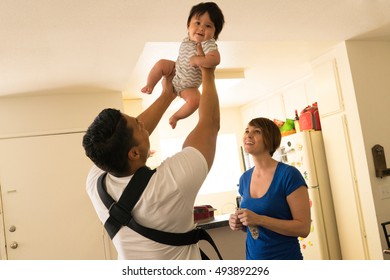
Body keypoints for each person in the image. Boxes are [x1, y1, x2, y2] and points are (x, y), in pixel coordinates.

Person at [82, 58, 220, 259]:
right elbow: (210, 124)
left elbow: (125, 138)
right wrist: (208, 71)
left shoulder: (96, 182)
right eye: (138, 125)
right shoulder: (171, 184)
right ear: (134, 154)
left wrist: (167, 94)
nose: (142, 123)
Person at [229, 118, 311, 260]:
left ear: (269, 139)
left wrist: (260, 219)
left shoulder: (289, 175)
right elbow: (254, 225)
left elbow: (303, 228)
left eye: (257, 132)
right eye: (247, 131)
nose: (248, 135)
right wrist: (240, 223)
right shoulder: (244, 178)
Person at [141, 2, 224, 129]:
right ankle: (150, 85)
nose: (201, 28)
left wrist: (198, 60)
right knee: (161, 63)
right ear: (188, 26)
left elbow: (215, 59)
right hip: (175, 71)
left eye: (208, 26)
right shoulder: (186, 40)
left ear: (214, 34)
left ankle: (176, 116)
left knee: (196, 100)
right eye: (197, 23)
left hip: (189, 87)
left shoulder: (208, 44)